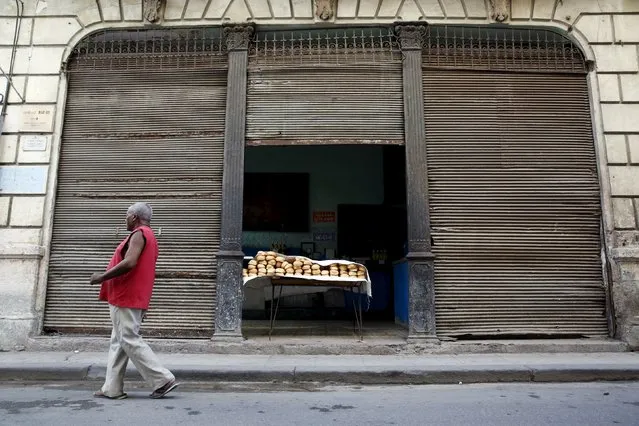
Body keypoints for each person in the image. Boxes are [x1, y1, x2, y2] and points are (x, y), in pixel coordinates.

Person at [90, 202, 179, 400]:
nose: (125, 218)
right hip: (131, 296)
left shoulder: (140, 233)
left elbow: (130, 262)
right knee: (119, 342)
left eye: (126, 215)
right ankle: (112, 389)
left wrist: (102, 277)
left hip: (126, 295)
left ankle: (162, 379)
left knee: (128, 338)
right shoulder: (148, 235)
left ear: (134, 217)